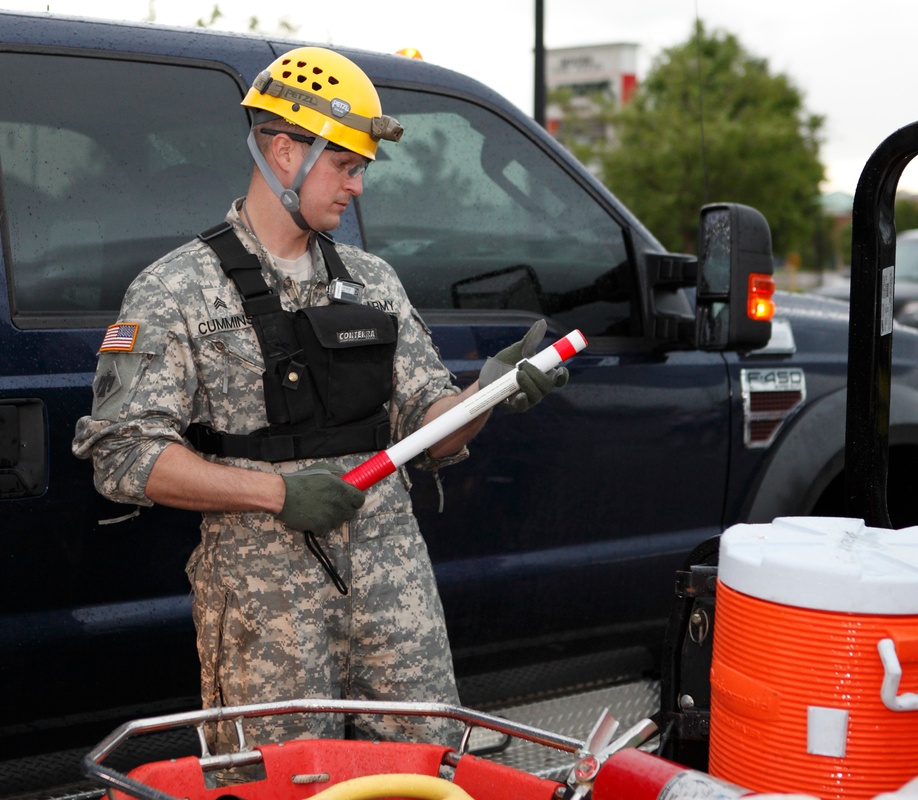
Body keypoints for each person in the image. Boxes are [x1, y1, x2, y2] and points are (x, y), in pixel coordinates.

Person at [72, 45, 567, 752]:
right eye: (345, 166)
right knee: (282, 782)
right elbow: (123, 458)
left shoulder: (372, 280)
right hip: (262, 594)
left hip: (391, 576)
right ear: (283, 151)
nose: (357, 187)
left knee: (428, 771)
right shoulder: (176, 289)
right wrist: (277, 494)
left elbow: (430, 427)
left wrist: (489, 393)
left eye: (360, 169)